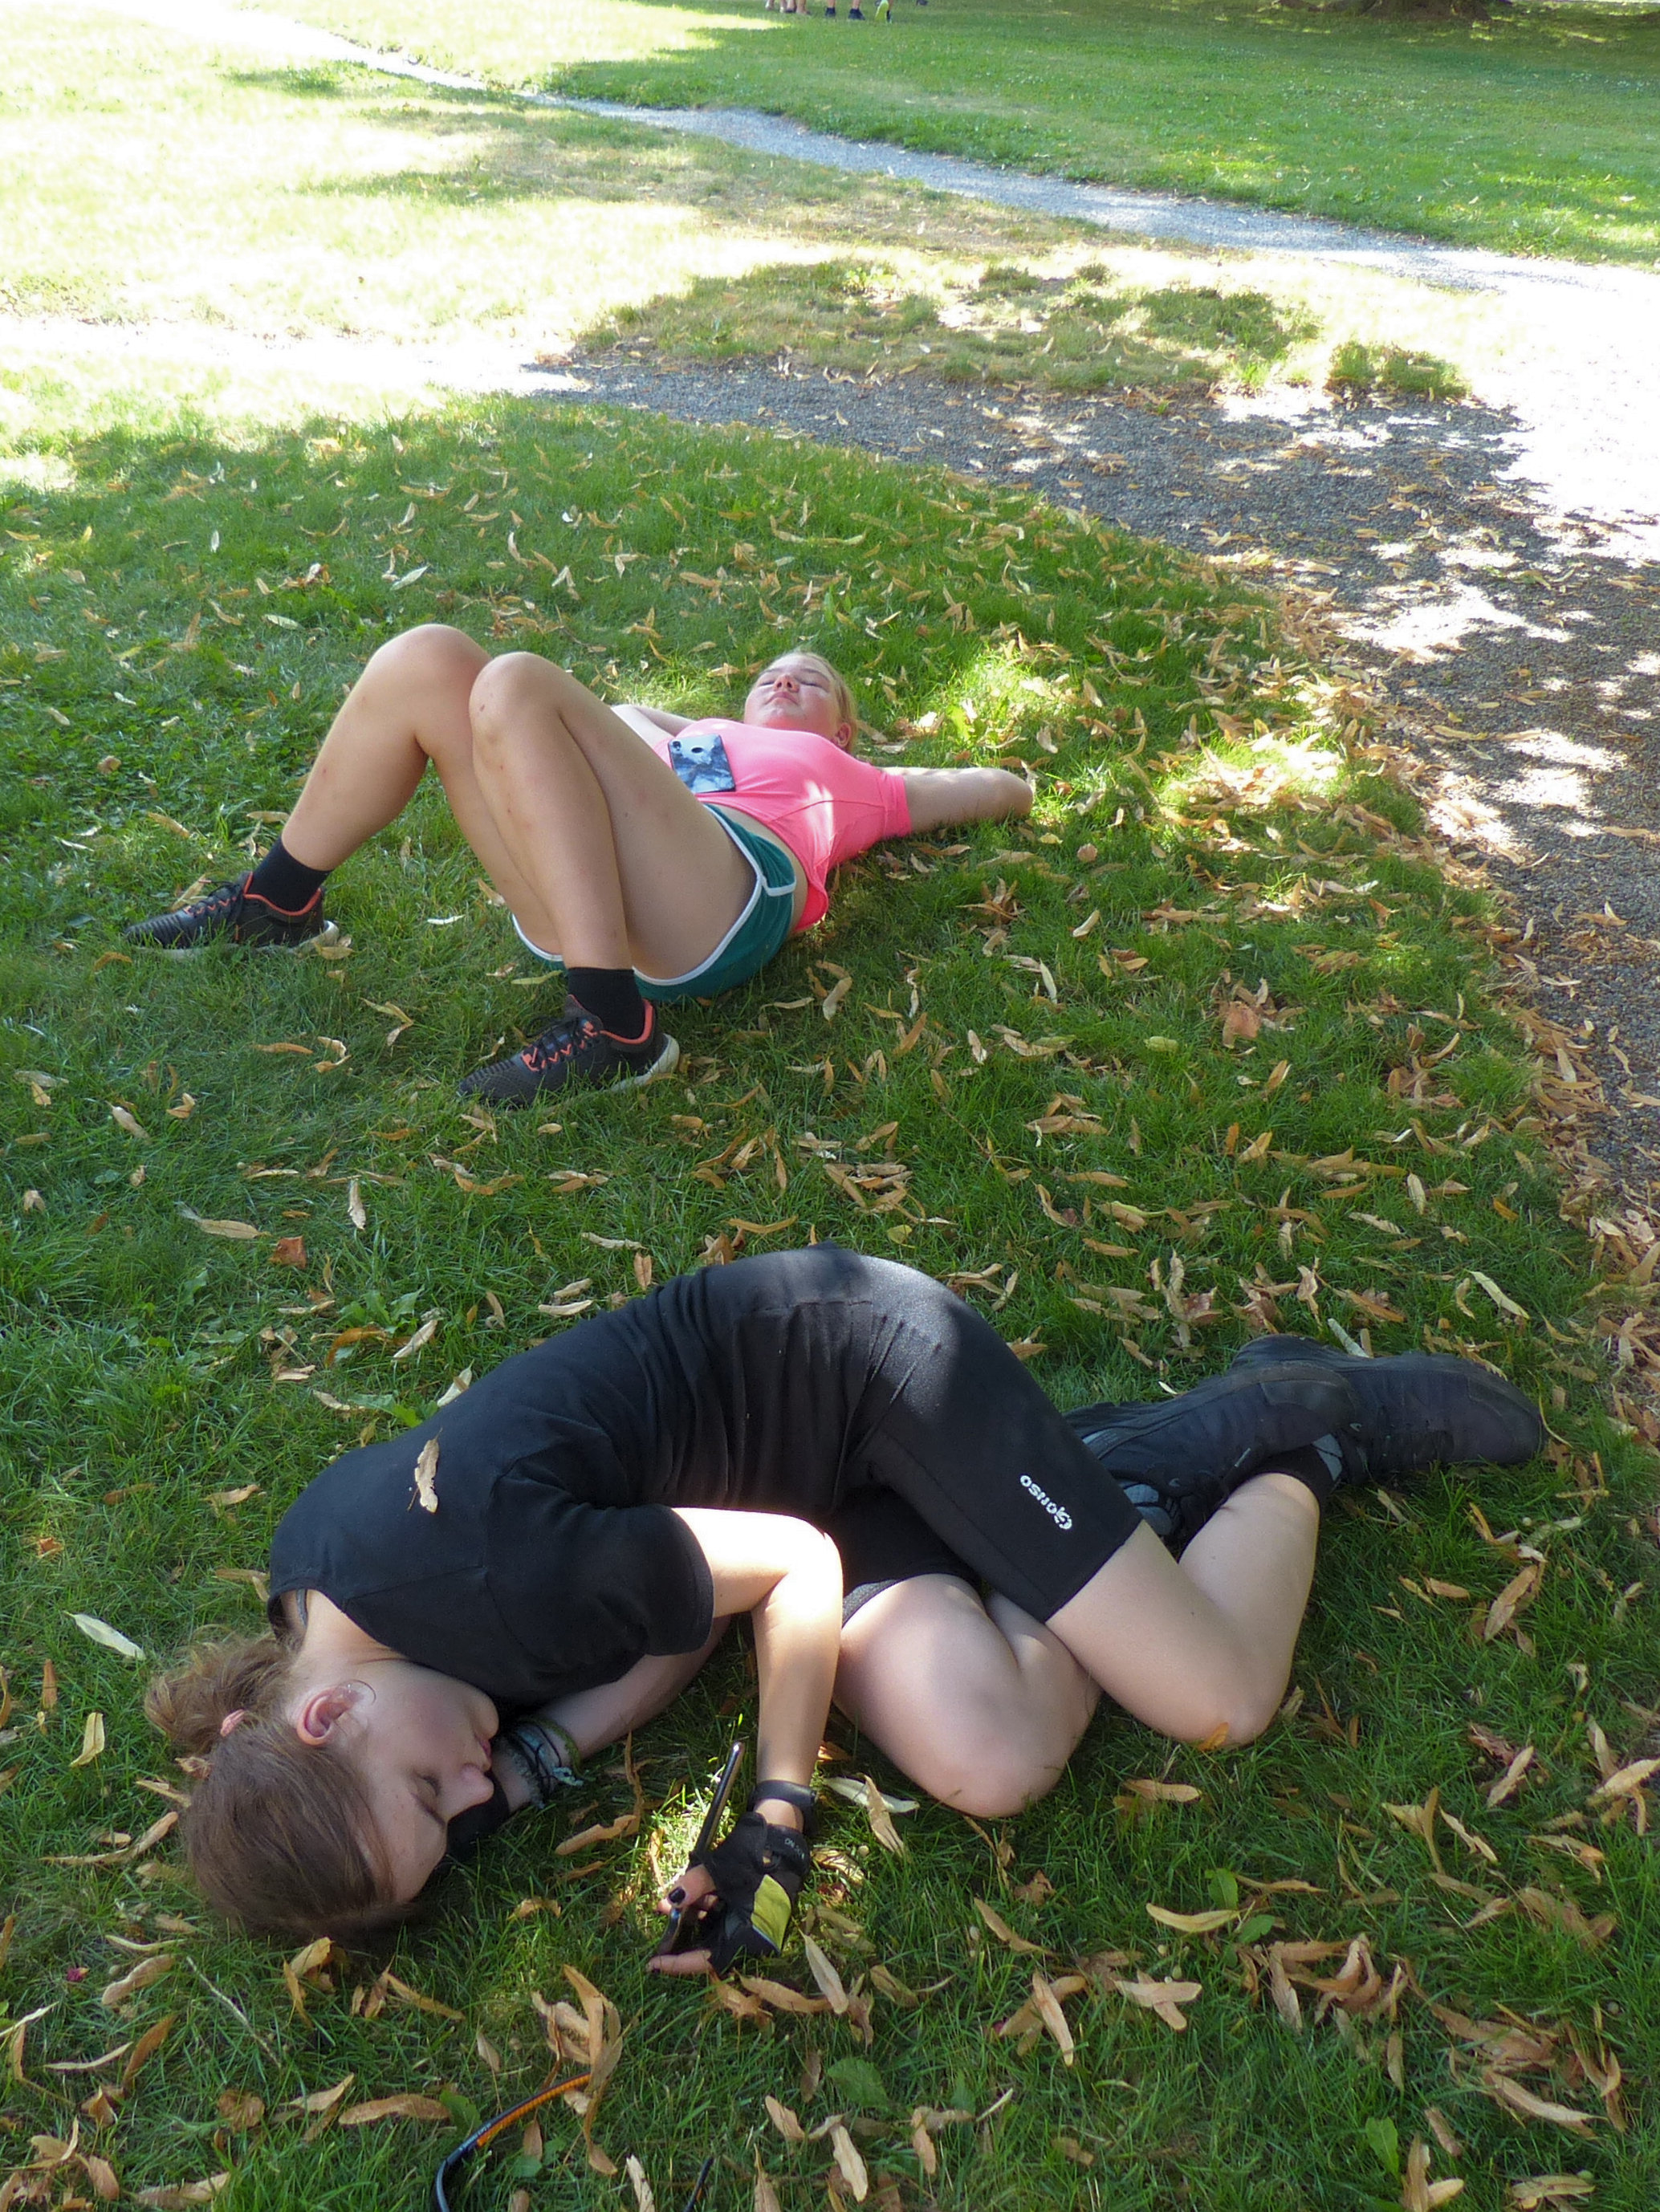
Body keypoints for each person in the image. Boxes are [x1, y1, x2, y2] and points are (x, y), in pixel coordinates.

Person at [146, 1246, 1541, 1967]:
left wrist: (775, 1810)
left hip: (876, 1376)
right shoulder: (317, 1600)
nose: (476, 1791)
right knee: (993, 1757)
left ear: (324, 1715)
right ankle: (1102, 1490)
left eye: (432, 1792)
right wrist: (536, 1761)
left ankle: (1297, 1427)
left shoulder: (500, 1579)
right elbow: (682, 1620)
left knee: (1218, 1695)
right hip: (791, 1491)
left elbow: (790, 1572)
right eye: (456, 1831)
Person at [123, 632, 1030, 1106]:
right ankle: (277, 902)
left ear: (845, 729)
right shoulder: (694, 739)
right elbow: (624, 716)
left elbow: (989, 789)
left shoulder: (855, 777)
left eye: (812, 681)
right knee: (429, 656)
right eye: (770, 677)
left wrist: (1021, 788)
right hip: (585, 889)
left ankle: (615, 1025)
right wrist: (684, 729)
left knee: (516, 679)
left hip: (725, 898)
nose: (786, 682)